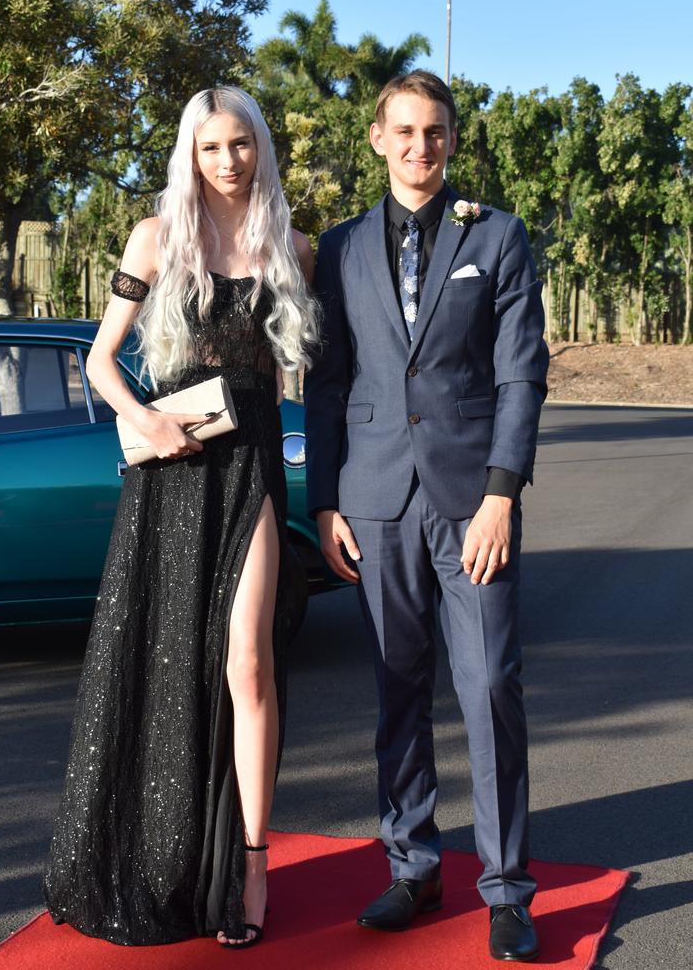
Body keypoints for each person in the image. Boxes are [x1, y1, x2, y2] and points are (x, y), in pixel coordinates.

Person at [43, 86, 318, 949]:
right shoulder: (156, 238)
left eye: (240, 144)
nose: (228, 161)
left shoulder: (293, 248)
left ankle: (250, 860)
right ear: (189, 155)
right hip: (173, 477)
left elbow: (300, 377)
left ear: (260, 147)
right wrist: (147, 422)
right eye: (210, 149)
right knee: (164, 669)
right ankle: (162, 852)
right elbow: (99, 361)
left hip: (254, 473)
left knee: (249, 664)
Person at [304, 71, 548, 963]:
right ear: (376, 138)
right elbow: (326, 385)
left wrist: (500, 494)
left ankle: (508, 889)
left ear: (451, 139)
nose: (420, 146)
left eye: (435, 131)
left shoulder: (500, 237)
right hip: (374, 505)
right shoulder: (338, 249)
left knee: (489, 689)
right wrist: (323, 499)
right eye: (403, 131)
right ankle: (413, 867)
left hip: (469, 505)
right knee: (396, 691)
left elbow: (522, 374)